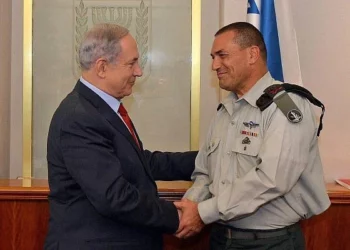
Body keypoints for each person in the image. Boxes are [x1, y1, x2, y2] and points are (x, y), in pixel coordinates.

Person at [174, 22, 330, 250]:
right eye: (212, 57)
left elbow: (271, 179)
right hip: (220, 237)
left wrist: (204, 212)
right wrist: (191, 206)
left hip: (270, 242)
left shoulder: (286, 104)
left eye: (222, 55)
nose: (214, 65)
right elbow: (205, 172)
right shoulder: (226, 110)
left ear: (252, 54)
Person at [44, 23, 197, 250]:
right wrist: (177, 216)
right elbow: (113, 197)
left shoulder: (98, 109)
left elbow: (138, 163)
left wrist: (205, 159)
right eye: (132, 63)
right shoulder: (79, 117)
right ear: (102, 67)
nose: (139, 71)